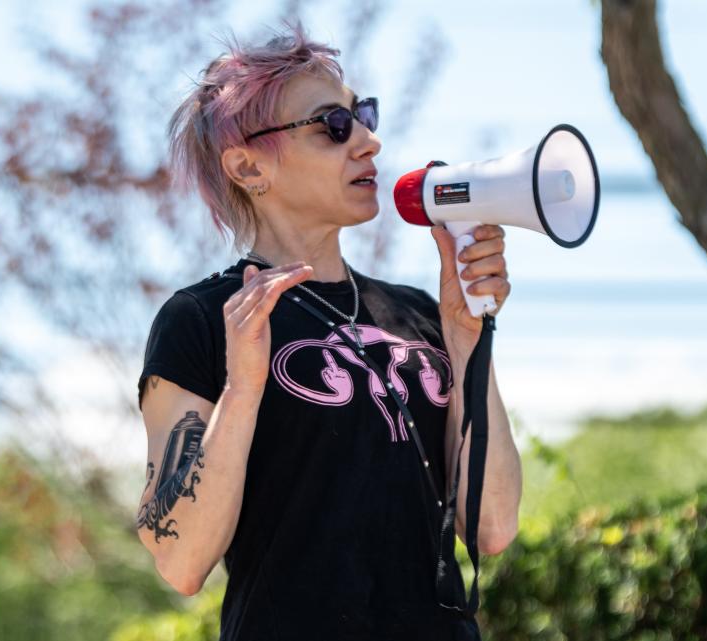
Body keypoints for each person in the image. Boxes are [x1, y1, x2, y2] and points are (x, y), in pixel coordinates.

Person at [135, 19, 521, 641]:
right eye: (332, 127)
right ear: (247, 166)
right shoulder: (202, 320)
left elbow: (493, 525)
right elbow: (179, 560)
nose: (367, 141)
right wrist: (243, 389)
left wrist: (467, 337)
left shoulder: (419, 312)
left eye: (362, 115)